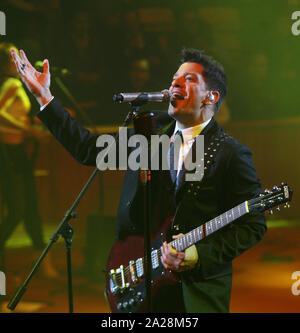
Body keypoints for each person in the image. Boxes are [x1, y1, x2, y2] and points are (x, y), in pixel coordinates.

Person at [10, 47, 266, 312]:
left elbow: (253, 226)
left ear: (211, 96)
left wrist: (199, 255)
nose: (175, 82)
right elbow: (87, 149)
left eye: (189, 79)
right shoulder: (148, 136)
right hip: (143, 278)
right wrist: (45, 97)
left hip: (194, 291)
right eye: (174, 78)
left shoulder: (230, 153)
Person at [0, 43, 58, 278]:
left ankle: (40, 257)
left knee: (27, 205)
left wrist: (27, 126)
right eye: (13, 58)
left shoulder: (12, 84)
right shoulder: (12, 84)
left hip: (16, 151)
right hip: (9, 151)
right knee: (19, 208)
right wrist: (25, 128)